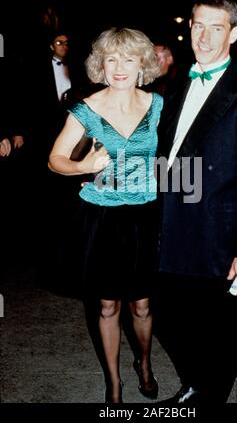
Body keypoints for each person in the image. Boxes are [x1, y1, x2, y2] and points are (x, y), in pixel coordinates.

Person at [155, 0, 237, 404]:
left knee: (218, 325)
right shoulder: (173, 91)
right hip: (170, 226)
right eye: (198, 26)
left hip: (219, 235)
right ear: (189, 27)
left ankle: (208, 396)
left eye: (217, 28)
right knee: (168, 318)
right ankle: (194, 382)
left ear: (235, 33)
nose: (205, 38)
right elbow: (167, 160)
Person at [48, 27, 163, 403]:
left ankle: (144, 362)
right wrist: (84, 166)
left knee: (142, 304)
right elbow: (55, 160)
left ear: (142, 63)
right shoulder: (88, 109)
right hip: (103, 218)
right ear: (100, 63)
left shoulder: (158, 105)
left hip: (146, 215)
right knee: (107, 303)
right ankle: (114, 382)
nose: (119, 67)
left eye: (128, 59)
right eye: (111, 58)